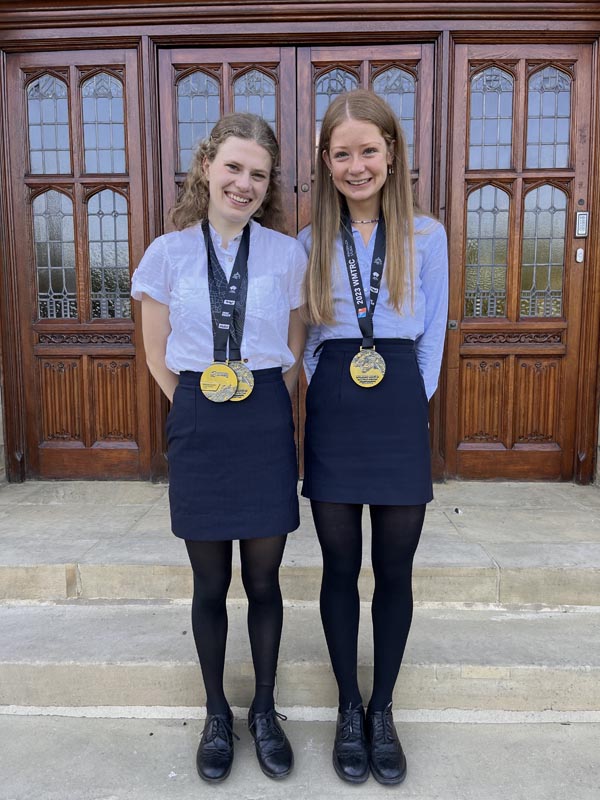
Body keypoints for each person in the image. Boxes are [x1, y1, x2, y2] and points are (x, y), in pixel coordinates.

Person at [131, 113, 307, 783]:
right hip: (199, 412)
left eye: (258, 174)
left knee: (263, 581)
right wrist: (198, 404)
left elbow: (291, 352)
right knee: (210, 581)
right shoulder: (167, 252)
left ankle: (263, 710)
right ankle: (215, 713)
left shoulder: (287, 254)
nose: (243, 183)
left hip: (262, 413)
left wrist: (257, 399)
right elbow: (154, 352)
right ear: (206, 167)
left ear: (269, 186)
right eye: (233, 167)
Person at [300, 90, 448, 786]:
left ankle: (382, 710)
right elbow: (303, 342)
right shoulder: (309, 242)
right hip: (336, 397)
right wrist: (327, 387)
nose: (355, 165)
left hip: (394, 404)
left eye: (368, 150)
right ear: (326, 162)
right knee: (337, 568)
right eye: (342, 153)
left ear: (392, 153)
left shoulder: (428, 235)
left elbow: (434, 338)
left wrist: (406, 404)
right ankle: (347, 705)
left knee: (394, 570)